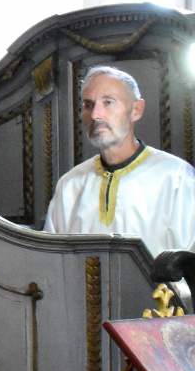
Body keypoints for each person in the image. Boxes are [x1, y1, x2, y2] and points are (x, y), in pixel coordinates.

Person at [43, 65, 195, 254]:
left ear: (136, 110)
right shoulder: (70, 185)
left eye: (108, 102)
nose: (95, 115)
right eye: (88, 105)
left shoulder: (177, 178)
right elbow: (51, 260)